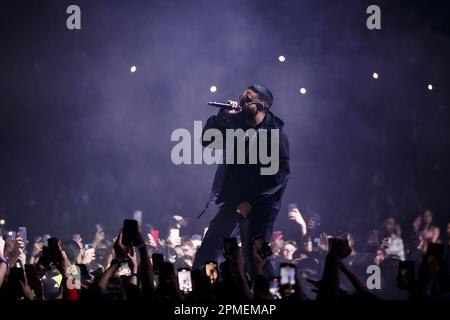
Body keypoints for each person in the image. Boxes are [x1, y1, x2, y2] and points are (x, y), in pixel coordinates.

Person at [193, 85, 290, 277]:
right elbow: (207, 140)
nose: (241, 101)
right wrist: (223, 115)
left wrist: (251, 202)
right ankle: (206, 285)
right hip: (234, 200)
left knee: (257, 252)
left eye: (247, 99)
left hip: (263, 206)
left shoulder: (275, 134)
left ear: (262, 105)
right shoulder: (234, 123)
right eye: (241, 97)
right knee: (210, 246)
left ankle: (269, 289)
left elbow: (279, 176)